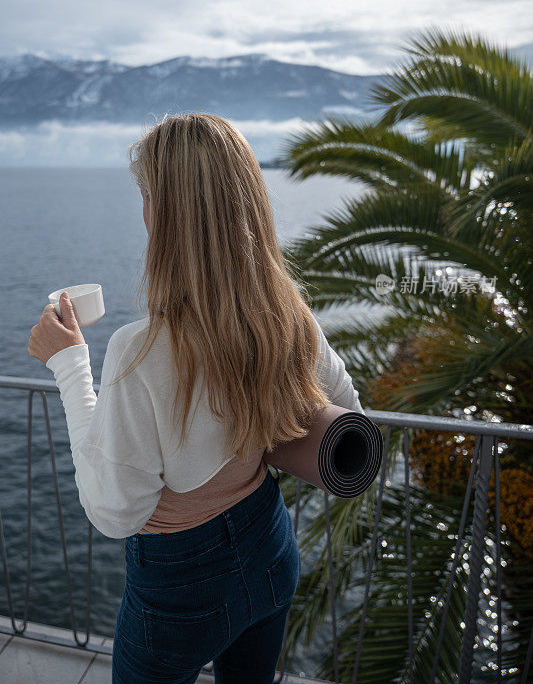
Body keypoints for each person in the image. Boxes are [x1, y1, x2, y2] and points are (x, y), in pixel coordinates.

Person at [28, 112, 365, 684]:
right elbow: (345, 413)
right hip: (269, 546)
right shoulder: (287, 315)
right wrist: (256, 409)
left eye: (147, 197)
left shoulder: (141, 351)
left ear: (165, 213)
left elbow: (115, 511)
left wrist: (67, 363)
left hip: (179, 584)